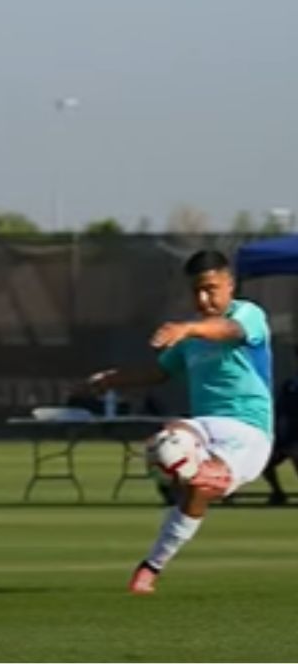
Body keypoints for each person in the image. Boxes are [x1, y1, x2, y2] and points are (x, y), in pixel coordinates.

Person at [85, 250, 273, 594]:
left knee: (199, 487)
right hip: (205, 423)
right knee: (168, 441)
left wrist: (188, 328)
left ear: (230, 285)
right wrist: (115, 379)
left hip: (248, 432)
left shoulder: (248, 315)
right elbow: (159, 372)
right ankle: (177, 488)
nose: (203, 298)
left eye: (211, 289)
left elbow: (229, 330)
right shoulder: (190, 339)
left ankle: (151, 566)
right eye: (196, 291)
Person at [260, 345, 298, 504]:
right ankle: (278, 494)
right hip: (287, 437)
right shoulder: (290, 384)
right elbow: (279, 410)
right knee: (262, 461)